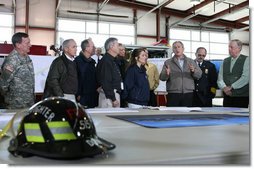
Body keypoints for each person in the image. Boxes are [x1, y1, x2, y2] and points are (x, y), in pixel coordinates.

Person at [159, 41, 202, 107]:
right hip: (173, 93)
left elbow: (199, 75)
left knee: (187, 115)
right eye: (175, 47)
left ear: (183, 49)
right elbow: (162, 78)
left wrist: (193, 71)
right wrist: (166, 73)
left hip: (188, 93)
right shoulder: (168, 62)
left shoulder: (190, 61)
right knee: (172, 114)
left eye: (179, 47)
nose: (177, 49)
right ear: (173, 50)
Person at [0, 32, 35, 109]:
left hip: (28, 102)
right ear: (18, 45)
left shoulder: (27, 57)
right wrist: (11, 98)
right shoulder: (11, 61)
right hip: (16, 105)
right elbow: (3, 85)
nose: (30, 45)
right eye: (27, 43)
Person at [217, 39, 249, 108]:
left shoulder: (247, 59)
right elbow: (220, 78)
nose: (229, 49)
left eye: (231, 47)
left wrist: (231, 87)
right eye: (229, 47)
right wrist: (224, 88)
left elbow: (246, 78)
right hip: (227, 96)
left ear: (239, 48)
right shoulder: (225, 61)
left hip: (241, 96)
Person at [96, 37, 122, 108]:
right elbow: (106, 81)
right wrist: (113, 99)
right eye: (117, 45)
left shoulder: (112, 60)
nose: (119, 48)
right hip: (109, 97)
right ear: (111, 47)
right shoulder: (106, 61)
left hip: (112, 94)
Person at [75, 38, 99, 108]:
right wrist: (78, 94)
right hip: (82, 98)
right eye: (92, 46)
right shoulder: (78, 61)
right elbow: (75, 79)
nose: (95, 48)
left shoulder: (92, 61)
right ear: (86, 48)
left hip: (92, 97)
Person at [116, 43, 129, 107]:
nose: (123, 51)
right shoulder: (114, 61)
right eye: (121, 50)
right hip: (117, 89)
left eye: (124, 50)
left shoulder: (126, 62)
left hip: (125, 88)